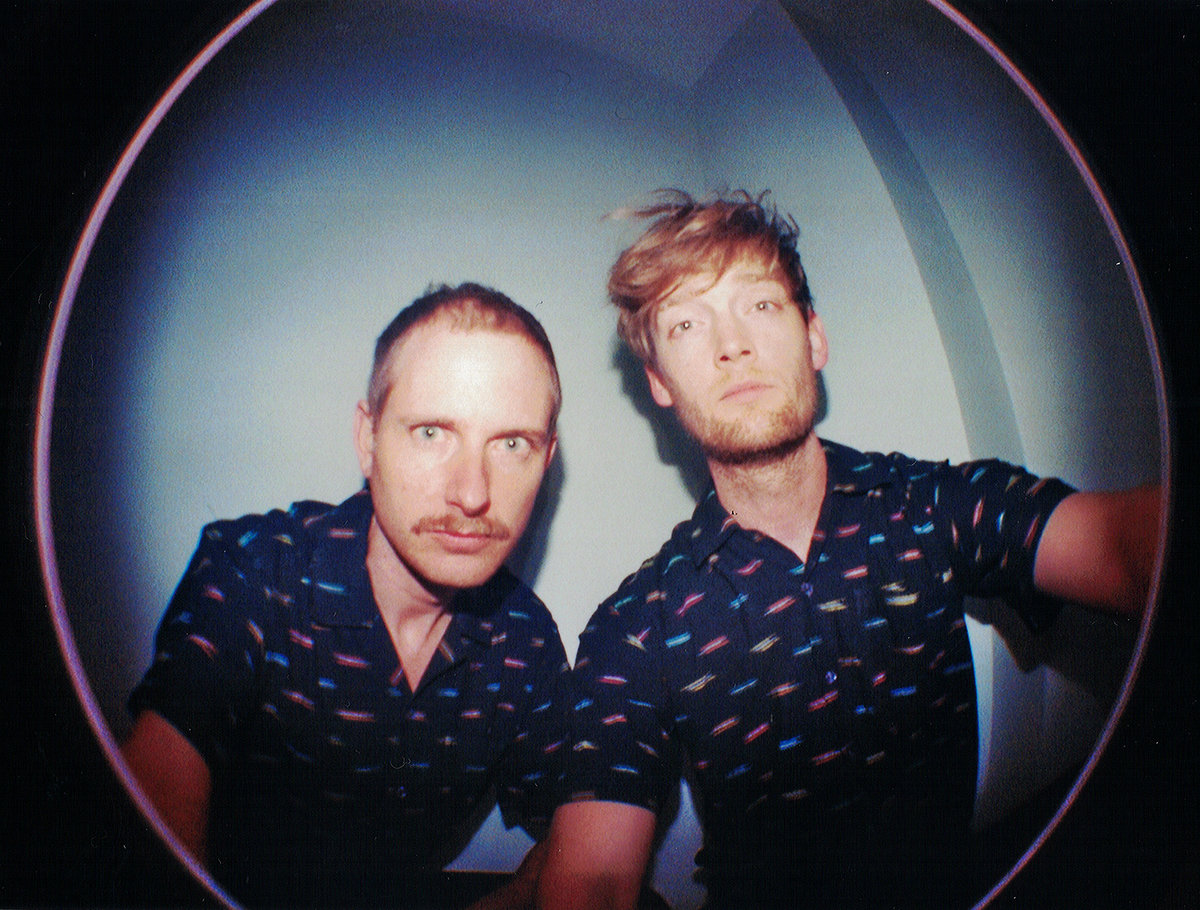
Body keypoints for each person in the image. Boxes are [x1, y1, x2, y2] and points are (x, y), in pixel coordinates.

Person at [538, 191, 1162, 909]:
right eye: (686, 323)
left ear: (815, 339)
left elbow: (1125, 549)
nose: (731, 343)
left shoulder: (934, 507)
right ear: (659, 384)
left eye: (759, 304)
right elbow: (594, 880)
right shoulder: (636, 627)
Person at [123, 283, 570, 909]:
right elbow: (155, 799)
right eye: (432, 433)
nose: (472, 493)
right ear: (368, 438)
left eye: (512, 443)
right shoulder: (257, 570)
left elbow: (583, 824)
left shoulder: (525, 641)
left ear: (545, 461)